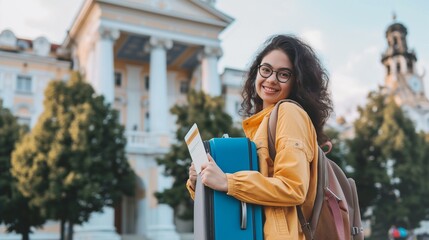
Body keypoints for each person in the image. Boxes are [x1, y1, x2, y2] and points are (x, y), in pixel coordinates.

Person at [186, 34, 333, 240]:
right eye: (266, 69)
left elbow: (293, 188)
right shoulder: (259, 124)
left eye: (284, 74)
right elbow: (248, 196)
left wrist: (229, 182)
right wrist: (201, 179)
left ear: (296, 81)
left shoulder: (289, 113)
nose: (271, 79)